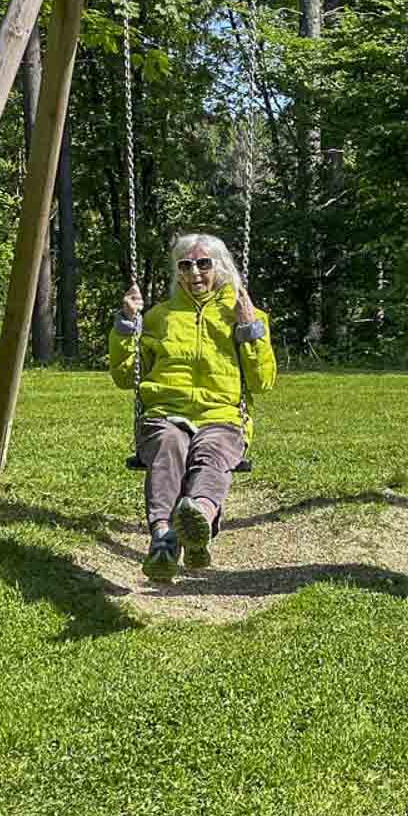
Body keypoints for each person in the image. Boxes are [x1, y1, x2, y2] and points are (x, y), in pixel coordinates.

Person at [109, 232, 276, 582]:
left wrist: (249, 328)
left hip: (221, 415)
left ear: (221, 267)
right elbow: (126, 377)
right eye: (185, 265)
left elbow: (262, 381)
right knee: (169, 446)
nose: (194, 272)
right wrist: (126, 325)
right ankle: (164, 539)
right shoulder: (159, 317)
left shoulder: (243, 312)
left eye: (204, 264)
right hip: (163, 413)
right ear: (177, 271)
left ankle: (197, 515)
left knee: (212, 453)